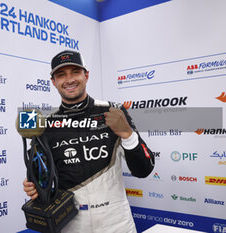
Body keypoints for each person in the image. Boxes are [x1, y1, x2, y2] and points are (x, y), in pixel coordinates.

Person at [23, 50, 155, 233]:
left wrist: (127, 134)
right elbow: (40, 178)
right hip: (71, 222)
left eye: (75, 72)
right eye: (61, 75)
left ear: (86, 75)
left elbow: (144, 169)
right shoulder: (45, 125)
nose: (69, 80)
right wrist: (35, 187)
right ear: (53, 82)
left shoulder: (113, 111)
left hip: (116, 222)